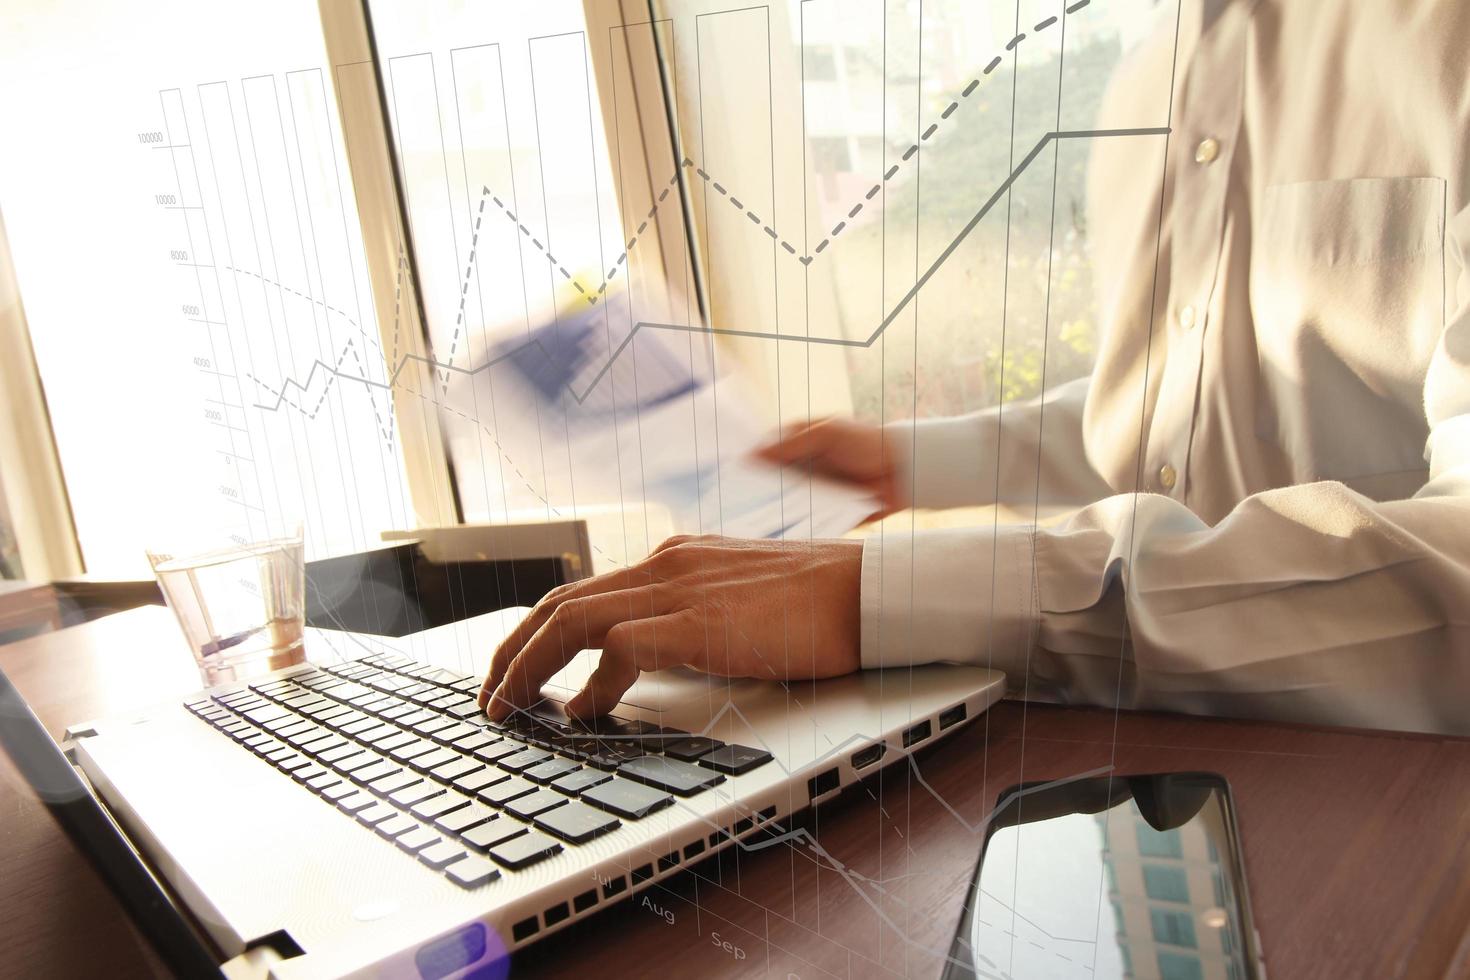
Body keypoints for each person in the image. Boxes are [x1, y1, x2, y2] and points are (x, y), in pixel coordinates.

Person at [480, 0, 1470, 736]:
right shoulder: (1148, 85)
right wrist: (914, 461)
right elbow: (1180, 418)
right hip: (1168, 769)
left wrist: (883, 596)